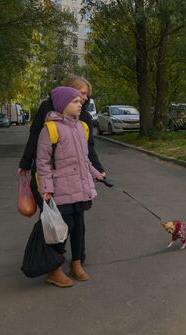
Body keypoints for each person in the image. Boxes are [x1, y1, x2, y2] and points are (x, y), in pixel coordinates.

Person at [18, 75, 105, 264]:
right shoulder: (48, 113)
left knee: (77, 221)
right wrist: (25, 163)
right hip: (49, 178)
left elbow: (88, 148)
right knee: (54, 221)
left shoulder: (84, 117)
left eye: (86, 95)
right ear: (67, 93)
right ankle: (52, 264)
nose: (83, 99)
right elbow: (37, 140)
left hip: (75, 180)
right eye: (80, 94)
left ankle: (77, 260)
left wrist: (97, 169)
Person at [37, 87, 104, 287]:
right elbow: (43, 163)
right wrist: (46, 188)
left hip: (80, 188)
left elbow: (84, 159)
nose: (80, 104)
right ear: (62, 105)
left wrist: (96, 174)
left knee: (79, 228)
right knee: (61, 230)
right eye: (75, 101)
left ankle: (76, 263)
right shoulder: (50, 129)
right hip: (60, 189)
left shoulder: (81, 127)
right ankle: (54, 270)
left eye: (79, 101)